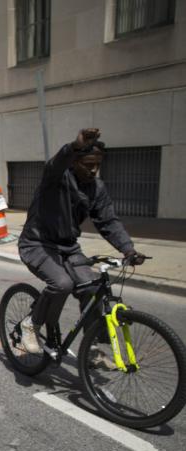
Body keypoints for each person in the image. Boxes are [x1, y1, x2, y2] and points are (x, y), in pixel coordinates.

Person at [17, 128, 145, 354]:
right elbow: (54, 164)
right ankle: (31, 324)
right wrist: (73, 146)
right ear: (74, 162)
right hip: (37, 243)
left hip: (68, 246)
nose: (93, 169)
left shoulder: (97, 188)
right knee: (62, 284)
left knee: (93, 289)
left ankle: (93, 349)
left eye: (97, 164)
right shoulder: (56, 179)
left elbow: (108, 221)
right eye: (88, 164)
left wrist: (128, 249)